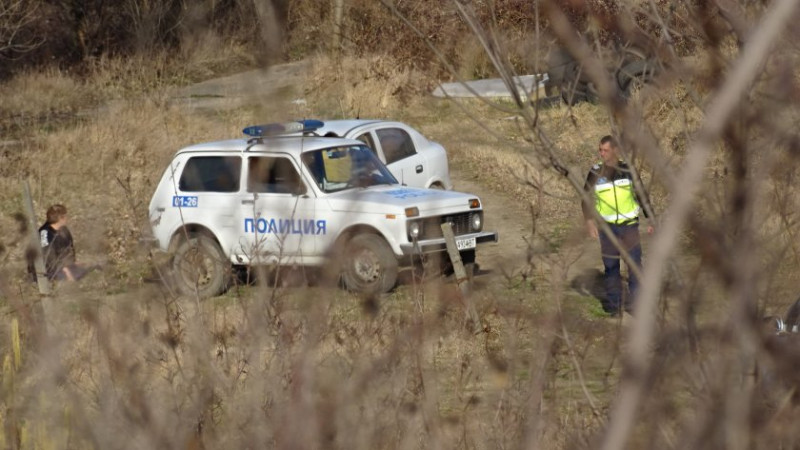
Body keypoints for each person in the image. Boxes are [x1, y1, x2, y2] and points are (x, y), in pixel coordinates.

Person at [582, 136, 654, 316]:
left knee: (634, 266)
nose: (601, 153)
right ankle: (614, 306)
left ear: (615, 150)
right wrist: (589, 220)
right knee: (611, 267)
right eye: (600, 150)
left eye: (605, 150)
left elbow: (642, 196)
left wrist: (651, 219)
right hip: (607, 229)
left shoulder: (628, 170)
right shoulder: (596, 172)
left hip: (629, 227)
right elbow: (585, 197)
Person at [29, 204, 95, 282]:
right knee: (79, 275)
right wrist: (67, 272)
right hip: (47, 271)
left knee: (92, 268)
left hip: (63, 267)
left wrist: (73, 262)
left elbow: (69, 249)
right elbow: (48, 258)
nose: (68, 218)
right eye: (66, 216)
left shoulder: (64, 230)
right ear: (61, 218)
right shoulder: (45, 233)